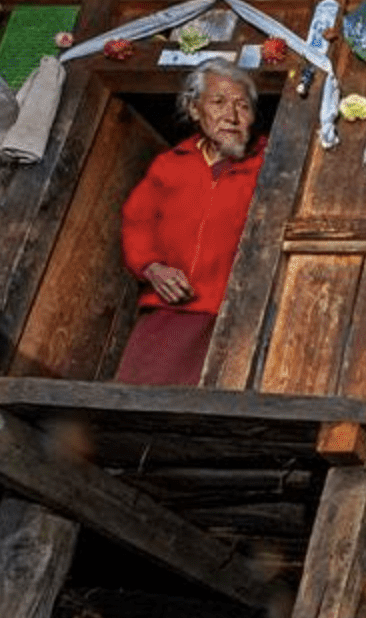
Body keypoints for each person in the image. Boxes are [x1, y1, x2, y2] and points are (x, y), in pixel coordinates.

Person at [115, 60, 265, 386]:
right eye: (219, 102)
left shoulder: (269, 163)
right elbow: (136, 221)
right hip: (170, 310)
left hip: (238, 314)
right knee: (138, 400)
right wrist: (152, 268)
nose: (232, 116)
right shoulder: (169, 165)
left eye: (243, 105)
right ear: (194, 110)